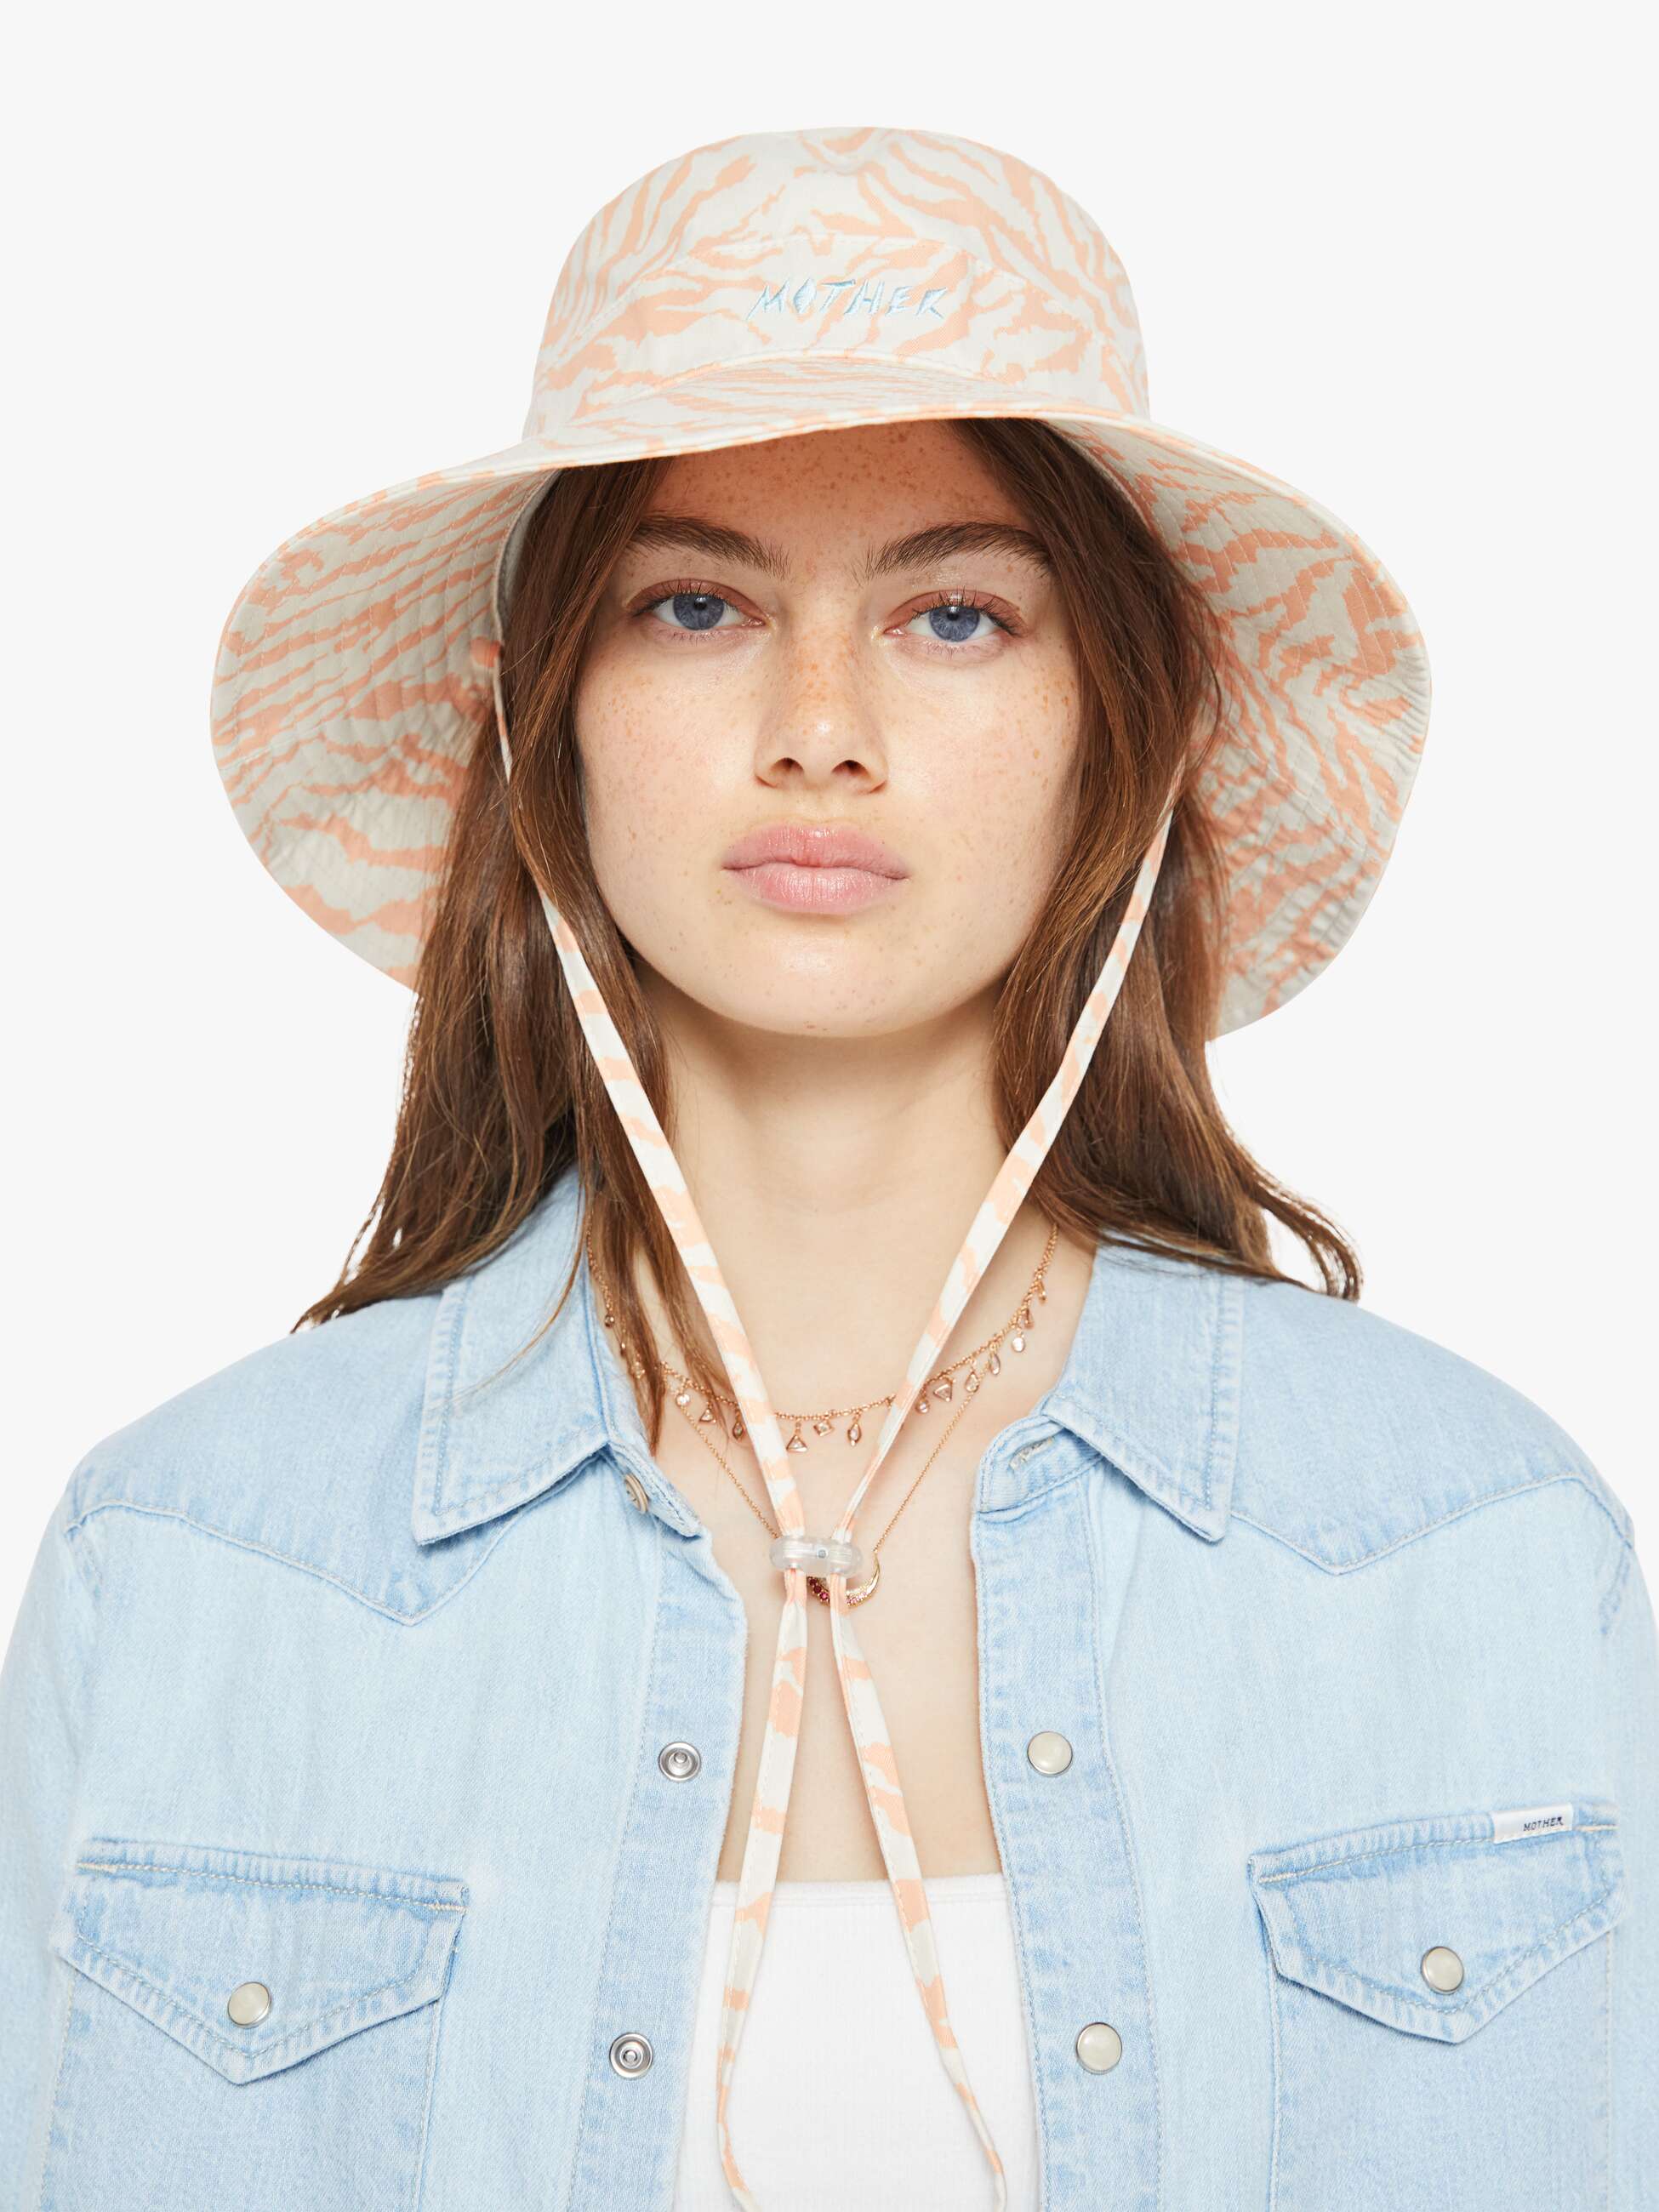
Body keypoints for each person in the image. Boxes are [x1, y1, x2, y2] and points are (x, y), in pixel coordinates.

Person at [2, 125, 1653, 2212]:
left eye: (955, 614)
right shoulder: (191, 1570)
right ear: (538, 719)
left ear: (1124, 725)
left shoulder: (1473, 1552)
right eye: (695, 604)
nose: (819, 725)